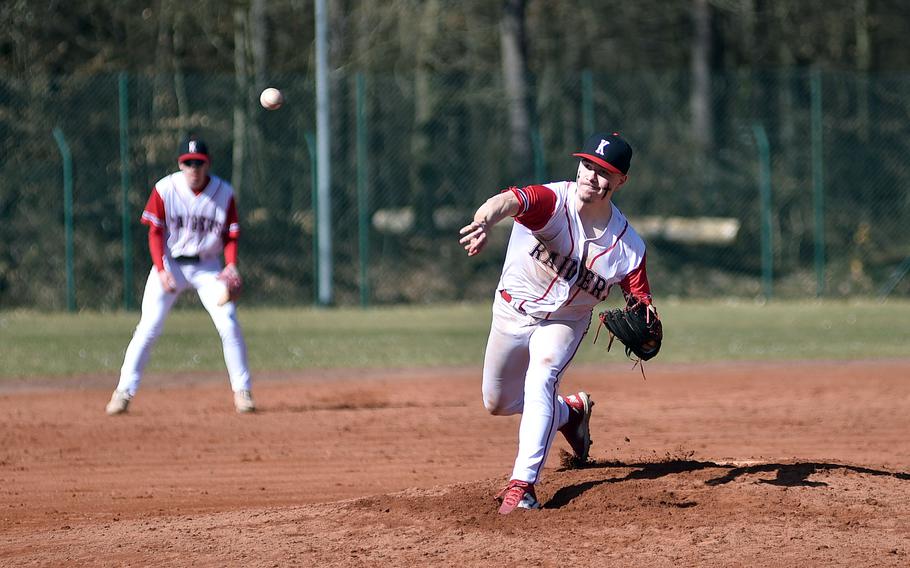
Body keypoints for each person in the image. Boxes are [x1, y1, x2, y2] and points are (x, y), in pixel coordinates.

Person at [459, 132, 656, 514]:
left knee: (542, 378)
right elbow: (508, 201)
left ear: (621, 182)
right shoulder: (552, 202)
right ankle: (571, 412)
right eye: (588, 166)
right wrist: (483, 221)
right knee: (497, 402)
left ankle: (523, 485)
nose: (592, 178)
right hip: (513, 310)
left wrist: (647, 324)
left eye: (605, 173)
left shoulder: (628, 247)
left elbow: (641, 301)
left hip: (565, 321)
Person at [106, 134, 255, 415]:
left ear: (207, 164)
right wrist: (161, 270)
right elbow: (155, 233)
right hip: (170, 264)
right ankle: (123, 392)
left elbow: (231, 236)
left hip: (208, 266)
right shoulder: (165, 189)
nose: (194, 169)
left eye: (199, 163)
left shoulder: (224, 192)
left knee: (229, 323)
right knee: (148, 328)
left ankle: (242, 392)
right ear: (180, 164)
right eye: (188, 163)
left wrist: (230, 265)